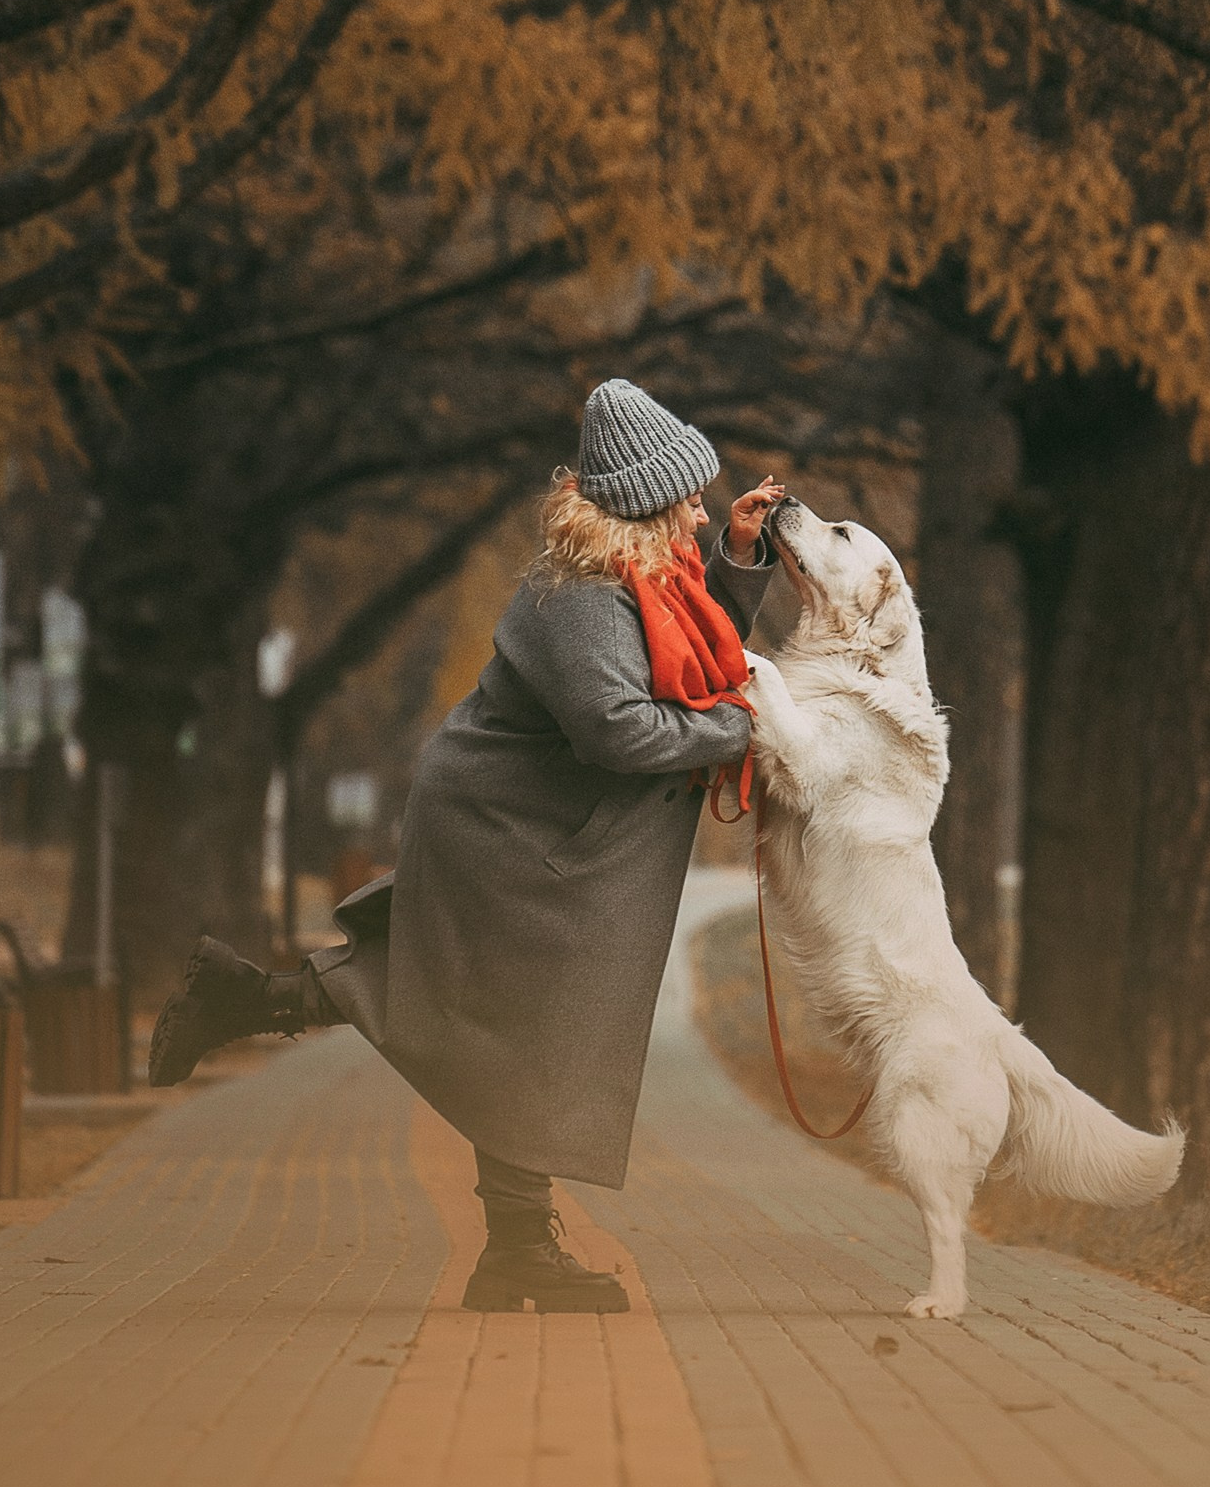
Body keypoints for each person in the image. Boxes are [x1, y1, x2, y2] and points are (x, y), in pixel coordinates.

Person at [147, 379, 782, 1313]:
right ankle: (519, 1251)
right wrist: (749, 731)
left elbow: (697, 647)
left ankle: (240, 1000)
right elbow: (621, 731)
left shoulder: (646, 580)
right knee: (522, 1030)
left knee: (485, 1016)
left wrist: (736, 554)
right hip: (511, 833)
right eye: (691, 497)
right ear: (646, 505)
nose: (701, 507)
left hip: (544, 828)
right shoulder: (578, 597)